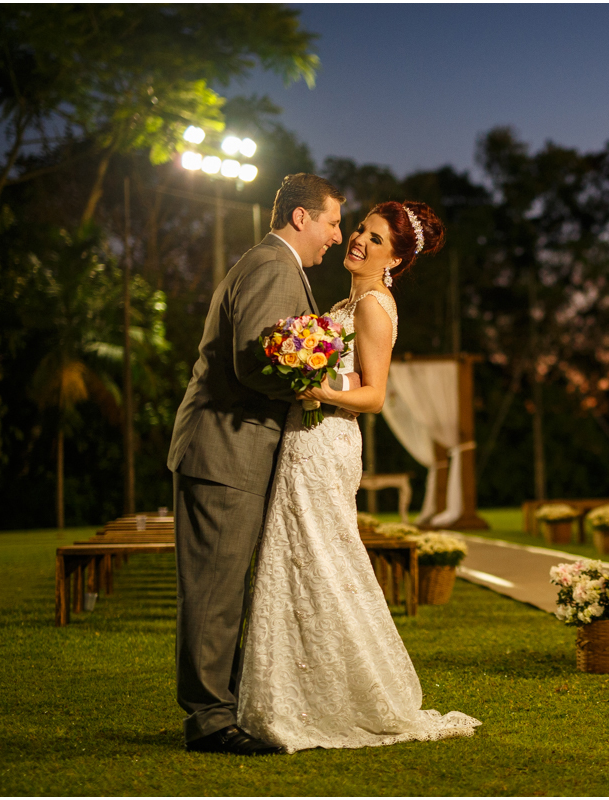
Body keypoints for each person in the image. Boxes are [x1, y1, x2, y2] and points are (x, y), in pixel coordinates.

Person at [236, 201, 481, 752]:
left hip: (328, 442)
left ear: (394, 258)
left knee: (324, 555)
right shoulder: (349, 299)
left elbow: (374, 394)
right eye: (360, 231)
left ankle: (342, 696)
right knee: (298, 554)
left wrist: (316, 388)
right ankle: (293, 689)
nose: (358, 242)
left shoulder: (372, 304)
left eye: (374, 239)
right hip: (309, 435)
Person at [166, 173, 346, 756]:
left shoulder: (275, 263)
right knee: (214, 589)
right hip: (225, 449)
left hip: (236, 449)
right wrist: (313, 385)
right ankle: (210, 720)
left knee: (227, 587)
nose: (337, 237)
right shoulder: (272, 265)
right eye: (332, 222)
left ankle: (228, 705)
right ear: (301, 217)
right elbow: (253, 364)